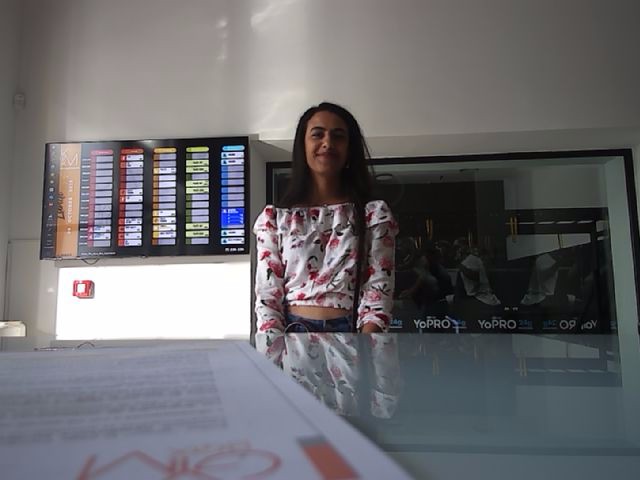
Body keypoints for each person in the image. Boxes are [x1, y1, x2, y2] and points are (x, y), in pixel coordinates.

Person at [253, 102, 398, 353]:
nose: (328, 143)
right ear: (303, 145)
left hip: (353, 338)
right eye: (317, 134)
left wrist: (365, 348)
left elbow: (378, 291)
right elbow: (268, 298)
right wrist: (272, 355)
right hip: (291, 339)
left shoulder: (372, 214)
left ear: (350, 148)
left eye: (338, 136)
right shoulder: (276, 218)